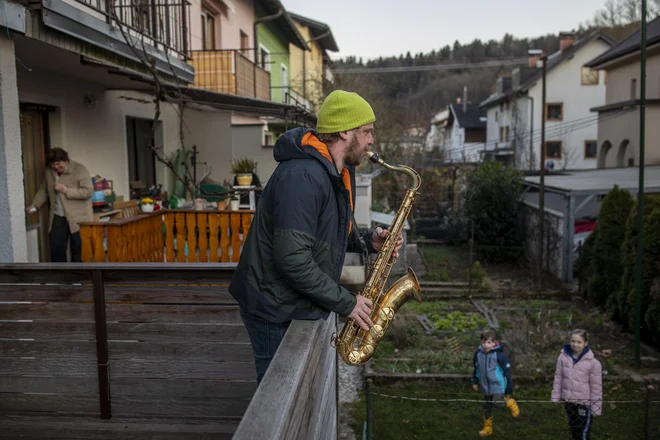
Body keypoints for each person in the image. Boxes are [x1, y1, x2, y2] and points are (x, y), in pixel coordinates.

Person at [228, 90, 403, 383]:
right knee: (276, 393)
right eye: (367, 131)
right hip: (273, 307)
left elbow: (327, 232)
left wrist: (369, 240)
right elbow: (293, 259)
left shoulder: (332, 172)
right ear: (346, 131)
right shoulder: (303, 176)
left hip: (288, 301)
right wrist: (347, 302)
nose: (372, 140)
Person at [26, 148, 93, 262]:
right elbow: (44, 190)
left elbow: (88, 191)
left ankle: (79, 278)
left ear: (66, 161)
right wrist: (35, 205)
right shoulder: (49, 171)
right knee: (56, 248)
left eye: (58, 163)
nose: (56, 166)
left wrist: (66, 190)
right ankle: (61, 278)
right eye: (53, 164)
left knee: (78, 250)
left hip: (79, 217)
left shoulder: (79, 169)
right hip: (58, 215)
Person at [551, 329, 603, 440]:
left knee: (583, 430)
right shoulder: (563, 357)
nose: (575, 344)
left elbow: (596, 387)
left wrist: (596, 407)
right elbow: (558, 377)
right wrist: (556, 396)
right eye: (573, 341)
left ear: (586, 343)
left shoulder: (593, 363)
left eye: (579, 342)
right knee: (574, 427)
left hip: (584, 403)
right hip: (569, 401)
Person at [471, 329, 520, 437]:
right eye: (483, 342)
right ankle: (487, 428)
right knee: (487, 407)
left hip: (498, 385)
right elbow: (476, 369)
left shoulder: (500, 356)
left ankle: (510, 402)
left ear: (494, 343)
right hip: (485, 386)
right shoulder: (478, 354)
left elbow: (507, 373)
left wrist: (508, 390)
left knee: (497, 403)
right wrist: (475, 381)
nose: (485, 345)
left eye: (488, 342)